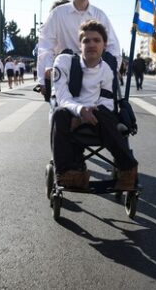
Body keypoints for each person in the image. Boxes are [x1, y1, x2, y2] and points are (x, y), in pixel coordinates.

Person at [51, 20, 138, 190]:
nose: (91, 44)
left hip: (97, 117)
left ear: (104, 45)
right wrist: (80, 111)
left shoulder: (107, 70)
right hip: (70, 112)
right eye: (86, 40)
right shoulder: (64, 61)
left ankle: (128, 169)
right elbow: (62, 96)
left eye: (97, 40)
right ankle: (68, 173)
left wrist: (85, 117)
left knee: (105, 113)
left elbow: (106, 102)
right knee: (59, 114)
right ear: (80, 44)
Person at [37, 0, 121, 98]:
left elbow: (112, 46)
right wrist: (44, 76)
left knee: (100, 115)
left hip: (94, 75)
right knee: (63, 115)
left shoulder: (100, 15)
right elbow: (45, 45)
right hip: (66, 74)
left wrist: (113, 69)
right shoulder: (58, 14)